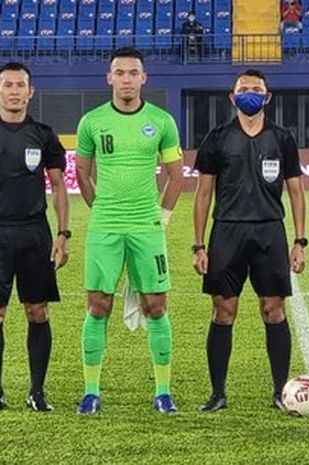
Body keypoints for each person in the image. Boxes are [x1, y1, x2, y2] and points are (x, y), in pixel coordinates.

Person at [74, 47, 184, 414]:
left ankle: (163, 392)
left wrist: (162, 218)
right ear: (109, 78)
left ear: (143, 78)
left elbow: (175, 176)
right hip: (105, 226)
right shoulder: (91, 122)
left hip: (146, 228)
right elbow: (83, 174)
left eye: (132, 73)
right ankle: (91, 391)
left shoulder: (162, 121)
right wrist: (102, 210)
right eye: (119, 72)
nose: (126, 79)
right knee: (98, 305)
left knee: (156, 305)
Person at [192, 69, 306, 412]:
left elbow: (297, 192)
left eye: (257, 89)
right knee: (223, 310)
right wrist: (199, 245)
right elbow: (202, 195)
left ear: (268, 97)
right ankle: (217, 393)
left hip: (270, 232)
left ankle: (279, 392)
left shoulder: (282, 138)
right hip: (227, 232)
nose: (250, 94)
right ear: (232, 96)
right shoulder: (217, 138)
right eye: (244, 89)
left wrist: (300, 240)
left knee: (274, 310)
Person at [0, 62, 69, 412]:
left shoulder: (43, 134)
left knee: (37, 311)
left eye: (20, 85)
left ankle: (36, 391)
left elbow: (58, 187)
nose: (14, 90)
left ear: (31, 92)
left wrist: (62, 234)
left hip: (34, 234)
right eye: (8, 84)